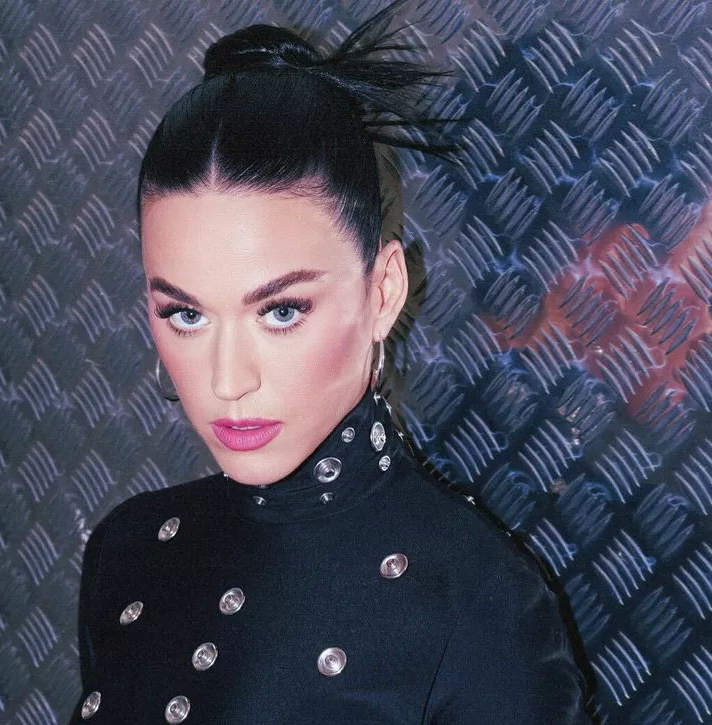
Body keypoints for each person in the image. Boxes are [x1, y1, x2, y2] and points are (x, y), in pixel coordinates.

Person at [68, 3, 592, 723]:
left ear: (383, 292)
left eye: (281, 310)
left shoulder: (479, 605)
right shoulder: (129, 553)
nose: (228, 379)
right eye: (186, 314)